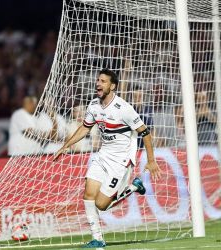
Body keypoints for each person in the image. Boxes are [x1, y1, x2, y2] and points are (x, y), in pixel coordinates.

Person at [53, 68, 161, 248]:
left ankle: (134, 186)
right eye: (98, 80)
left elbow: (146, 133)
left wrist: (151, 160)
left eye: (103, 81)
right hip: (103, 155)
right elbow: (85, 127)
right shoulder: (94, 105)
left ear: (112, 86)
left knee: (102, 205)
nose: (98, 84)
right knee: (88, 194)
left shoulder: (124, 108)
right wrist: (66, 145)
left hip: (121, 160)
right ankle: (97, 239)